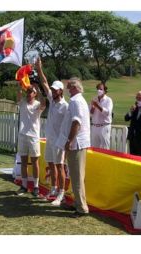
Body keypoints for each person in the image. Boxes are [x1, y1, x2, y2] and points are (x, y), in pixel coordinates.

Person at [35, 58, 68, 206]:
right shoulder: (52, 99)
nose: (53, 91)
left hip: (60, 141)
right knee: (51, 164)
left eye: (55, 90)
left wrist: (65, 141)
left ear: (61, 91)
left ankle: (62, 193)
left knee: (60, 165)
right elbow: (44, 82)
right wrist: (39, 69)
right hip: (50, 138)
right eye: (52, 90)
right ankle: (54, 189)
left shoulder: (66, 106)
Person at [56, 77, 90, 218]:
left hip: (77, 143)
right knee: (76, 176)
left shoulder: (76, 101)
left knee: (76, 177)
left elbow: (76, 122)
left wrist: (70, 140)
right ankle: (78, 204)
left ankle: (81, 208)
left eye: (69, 87)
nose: (68, 90)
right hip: (78, 142)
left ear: (75, 87)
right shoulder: (78, 100)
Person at [14, 75, 46, 198]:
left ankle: (36, 186)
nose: (28, 93)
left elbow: (44, 104)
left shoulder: (38, 104)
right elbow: (18, 96)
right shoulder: (22, 103)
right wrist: (20, 86)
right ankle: (24, 185)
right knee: (23, 162)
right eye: (28, 91)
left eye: (31, 92)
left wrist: (38, 90)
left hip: (33, 137)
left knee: (34, 162)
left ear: (35, 94)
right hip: (22, 135)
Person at [124, 91, 141, 157]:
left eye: (140, 98)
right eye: (137, 98)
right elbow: (126, 118)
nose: (138, 100)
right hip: (133, 138)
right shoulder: (134, 108)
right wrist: (131, 112)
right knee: (132, 158)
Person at [90, 83, 113, 149]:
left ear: (104, 91)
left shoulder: (108, 100)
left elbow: (107, 113)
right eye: (97, 89)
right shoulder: (94, 99)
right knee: (94, 148)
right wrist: (93, 107)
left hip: (104, 126)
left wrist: (97, 106)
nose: (99, 91)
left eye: (101, 89)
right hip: (94, 126)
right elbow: (90, 113)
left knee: (104, 148)